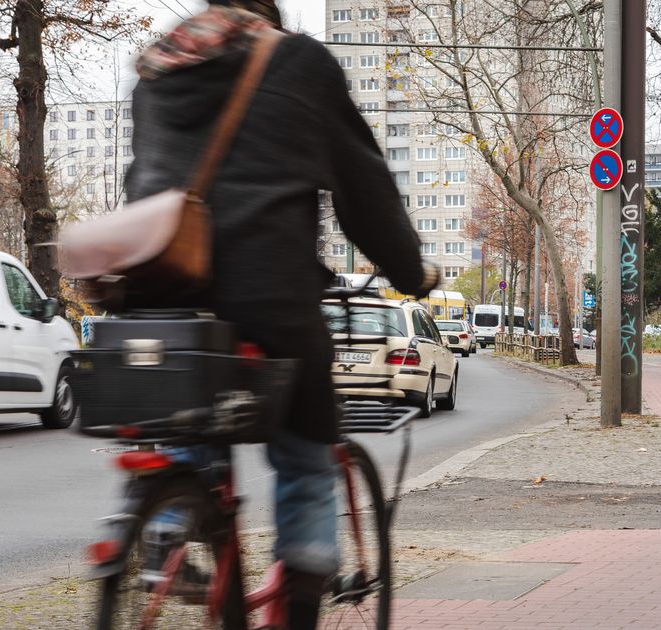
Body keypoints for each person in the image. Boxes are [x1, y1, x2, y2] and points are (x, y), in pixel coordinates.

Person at [125, 1, 437, 627]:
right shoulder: (297, 61)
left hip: (160, 292)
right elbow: (362, 188)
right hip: (266, 294)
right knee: (305, 456)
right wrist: (408, 271)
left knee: (189, 422)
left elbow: (144, 178)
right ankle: (297, 605)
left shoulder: (159, 69)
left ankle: (166, 526)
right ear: (269, 12)